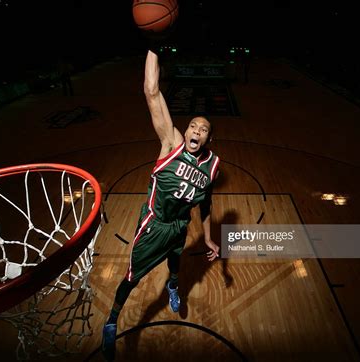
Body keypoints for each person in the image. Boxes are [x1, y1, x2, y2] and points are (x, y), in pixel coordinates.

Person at [101, 49, 220, 360]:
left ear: (208, 139)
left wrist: (207, 236)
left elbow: (205, 204)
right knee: (132, 277)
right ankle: (112, 321)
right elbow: (151, 91)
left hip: (180, 225)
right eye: (194, 125)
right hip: (154, 225)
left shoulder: (211, 167)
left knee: (175, 261)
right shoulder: (172, 144)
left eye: (203, 129)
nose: (197, 130)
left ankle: (173, 285)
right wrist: (154, 43)